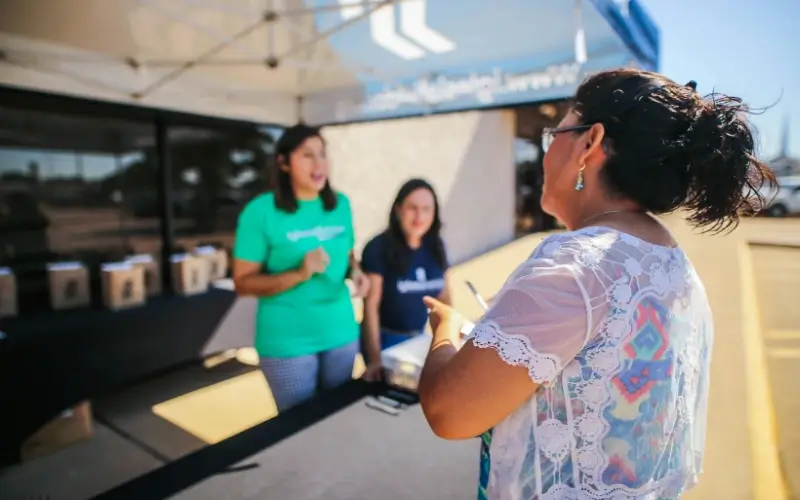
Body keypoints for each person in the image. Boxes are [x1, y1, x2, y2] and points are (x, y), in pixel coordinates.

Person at [416, 69, 774, 499]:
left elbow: (449, 411)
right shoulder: (674, 264)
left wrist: (446, 329)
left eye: (556, 134)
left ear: (589, 144)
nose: (545, 155)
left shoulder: (572, 265)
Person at [232, 124, 370, 412]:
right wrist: (300, 273)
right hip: (287, 342)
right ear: (283, 163)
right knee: (299, 428)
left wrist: (356, 272)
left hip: (341, 332)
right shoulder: (260, 212)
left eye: (322, 154)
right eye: (307, 155)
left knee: (337, 418)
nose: (319, 163)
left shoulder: (340, 204)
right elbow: (243, 283)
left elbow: (347, 254)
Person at [359, 178, 451, 381]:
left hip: (419, 339)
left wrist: (449, 343)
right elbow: (370, 308)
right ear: (398, 209)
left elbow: (445, 300)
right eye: (412, 208)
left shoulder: (436, 246)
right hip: (386, 341)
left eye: (427, 209)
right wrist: (375, 359)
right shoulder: (378, 248)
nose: (419, 216)